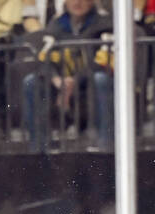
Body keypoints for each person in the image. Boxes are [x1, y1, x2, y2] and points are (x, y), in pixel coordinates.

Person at [19, 0, 114, 152]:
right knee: (31, 82)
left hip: (89, 85)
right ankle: (38, 148)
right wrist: (57, 80)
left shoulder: (105, 24)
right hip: (61, 86)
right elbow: (44, 58)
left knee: (101, 79)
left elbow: (103, 61)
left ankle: (106, 145)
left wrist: (75, 81)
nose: (77, 2)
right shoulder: (56, 25)